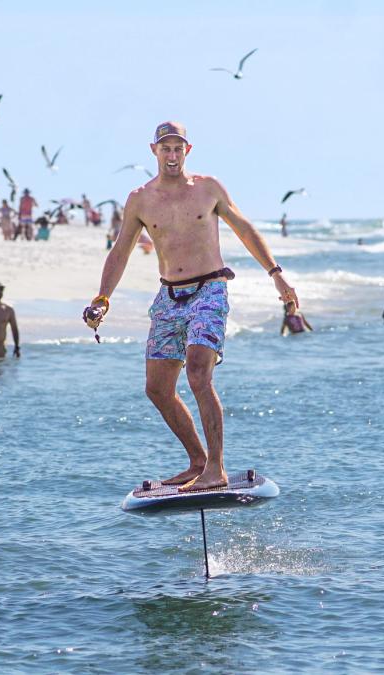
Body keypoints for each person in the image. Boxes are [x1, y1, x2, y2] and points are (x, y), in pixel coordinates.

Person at [83, 121, 298, 492]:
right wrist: (103, 298)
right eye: (165, 148)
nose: (171, 154)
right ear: (154, 151)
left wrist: (276, 274)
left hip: (209, 291)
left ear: (188, 150)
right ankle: (197, 461)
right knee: (157, 388)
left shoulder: (208, 188)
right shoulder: (140, 199)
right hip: (168, 296)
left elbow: (245, 229)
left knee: (198, 372)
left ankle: (216, 468)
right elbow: (120, 250)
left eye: (177, 148)